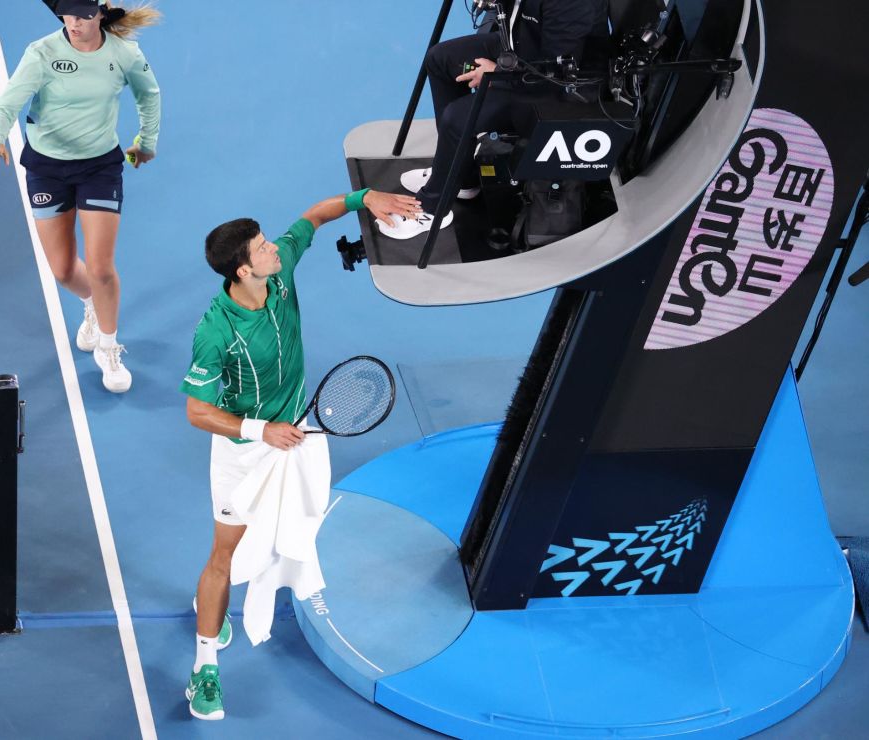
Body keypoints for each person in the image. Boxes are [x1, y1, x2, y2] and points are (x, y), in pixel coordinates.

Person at [179, 187, 420, 720]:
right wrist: (260, 429)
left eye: (268, 243)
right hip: (246, 450)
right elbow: (197, 412)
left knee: (291, 531)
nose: (274, 250)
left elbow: (313, 216)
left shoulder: (279, 272)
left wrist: (368, 199)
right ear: (242, 271)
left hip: (295, 435)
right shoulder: (216, 332)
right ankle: (204, 669)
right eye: (262, 248)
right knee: (224, 554)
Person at [0, 0, 161, 392]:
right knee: (63, 270)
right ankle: (94, 305)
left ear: (99, 14)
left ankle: (110, 348)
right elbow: (8, 102)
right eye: (67, 15)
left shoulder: (123, 53)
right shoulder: (42, 53)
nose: (74, 23)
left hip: (100, 166)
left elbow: (149, 95)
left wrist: (146, 141)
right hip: (47, 168)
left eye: (82, 15)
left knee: (100, 267)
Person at [378, 0, 609, 240]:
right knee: (440, 59)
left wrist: (498, 72)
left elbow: (556, 72)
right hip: (523, 50)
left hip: (558, 88)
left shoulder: (573, 4)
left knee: (456, 120)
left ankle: (433, 208)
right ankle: (461, 177)